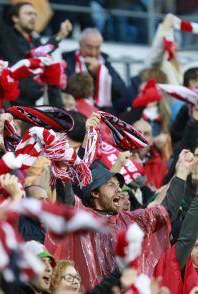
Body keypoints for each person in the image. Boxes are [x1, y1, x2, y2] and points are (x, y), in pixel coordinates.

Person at [46, 147, 196, 290]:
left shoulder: (130, 220)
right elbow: (66, 198)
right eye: (111, 185)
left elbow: (166, 212)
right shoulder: (82, 219)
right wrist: (62, 164)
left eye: (119, 185)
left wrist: (182, 172)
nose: (118, 189)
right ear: (94, 193)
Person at [62, 28, 128, 114]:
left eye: (97, 48)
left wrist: (100, 72)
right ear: (80, 44)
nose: (93, 52)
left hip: (100, 114)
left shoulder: (105, 64)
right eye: (89, 47)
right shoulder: (67, 61)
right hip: (73, 112)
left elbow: (121, 92)